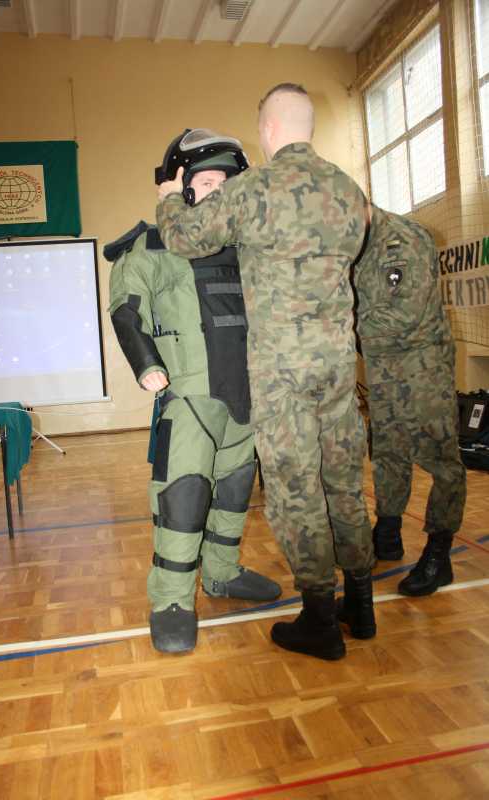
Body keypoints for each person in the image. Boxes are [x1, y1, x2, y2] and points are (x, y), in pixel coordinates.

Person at [156, 84, 376, 661]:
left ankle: (320, 620)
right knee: (343, 483)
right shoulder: (348, 190)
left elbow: (184, 238)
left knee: (296, 493)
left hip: (283, 373)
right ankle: (361, 603)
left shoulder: (254, 189)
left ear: (269, 129)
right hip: (337, 365)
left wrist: (168, 197)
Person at [106, 129, 281, 654]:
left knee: (233, 493)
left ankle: (222, 573)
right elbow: (126, 309)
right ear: (179, 187)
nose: (217, 192)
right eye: (206, 182)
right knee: (183, 497)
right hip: (190, 400)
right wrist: (146, 365)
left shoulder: (247, 248)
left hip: (245, 397)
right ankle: (172, 601)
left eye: (225, 183)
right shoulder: (153, 246)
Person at [352, 203, 467, 596]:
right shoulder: (358, 245)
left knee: (440, 458)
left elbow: (405, 313)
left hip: (423, 368)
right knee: (388, 450)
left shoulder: (403, 239)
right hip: (383, 367)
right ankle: (388, 532)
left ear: (358, 207)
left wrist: (340, 329)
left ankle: (439, 552)